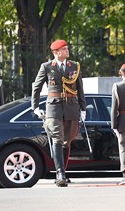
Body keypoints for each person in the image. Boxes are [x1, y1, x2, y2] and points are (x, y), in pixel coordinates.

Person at [31, 40, 86, 187]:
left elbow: (80, 88)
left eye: (67, 48)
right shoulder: (47, 67)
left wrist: (83, 108)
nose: (67, 51)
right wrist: (35, 106)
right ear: (56, 52)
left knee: (67, 140)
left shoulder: (74, 66)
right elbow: (36, 87)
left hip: (71, 106)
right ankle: (60, 173)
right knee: (57, 137)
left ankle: (63, 172)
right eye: (64, 49)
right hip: (54, 107)